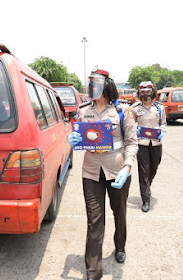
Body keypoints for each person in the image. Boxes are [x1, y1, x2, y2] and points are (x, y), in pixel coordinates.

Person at [68, 69, 138, 280]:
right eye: (91, 84)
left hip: (117, 171)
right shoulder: (83, 111)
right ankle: (93, 273)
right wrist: (72, 140)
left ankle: (120, 245)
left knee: (120, 212)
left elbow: (132, 142)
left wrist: (127, 167)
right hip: (90, 171)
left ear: (107, 86)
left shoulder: (123, 111)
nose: (93, 88)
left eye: (96, 84)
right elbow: (80, 136)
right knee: (94, 220)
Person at [131, 81, 167, 212]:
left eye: (148, 92)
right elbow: (129, 124)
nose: (145, 94)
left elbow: (163, 123)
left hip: (156, 143)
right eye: (143, 92)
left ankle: (147, 187)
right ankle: (145, 199)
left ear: (153, 92)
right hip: (142, 144)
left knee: (154, 168)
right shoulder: (135, 108)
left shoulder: (159, 108)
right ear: (139, 94)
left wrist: (162, 130)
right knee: (143, 171)